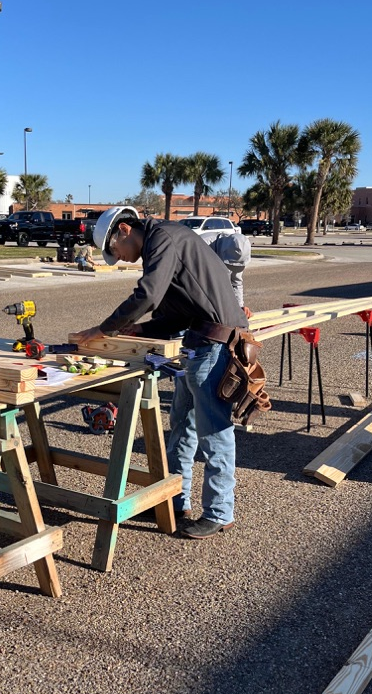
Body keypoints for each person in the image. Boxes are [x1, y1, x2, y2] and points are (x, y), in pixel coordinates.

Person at [73, 206, 248, 540]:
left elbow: (148, 293)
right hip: (198, 344)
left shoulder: (163, 238)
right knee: (182, 426)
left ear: (124, 229)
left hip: (215, 344)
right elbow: (177, 311)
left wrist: (106, 328)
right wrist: (141, 329)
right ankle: (175, 500)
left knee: (215, 432)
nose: (120, 259)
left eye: (115, 251)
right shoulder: (165, 243)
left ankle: (219, 512)